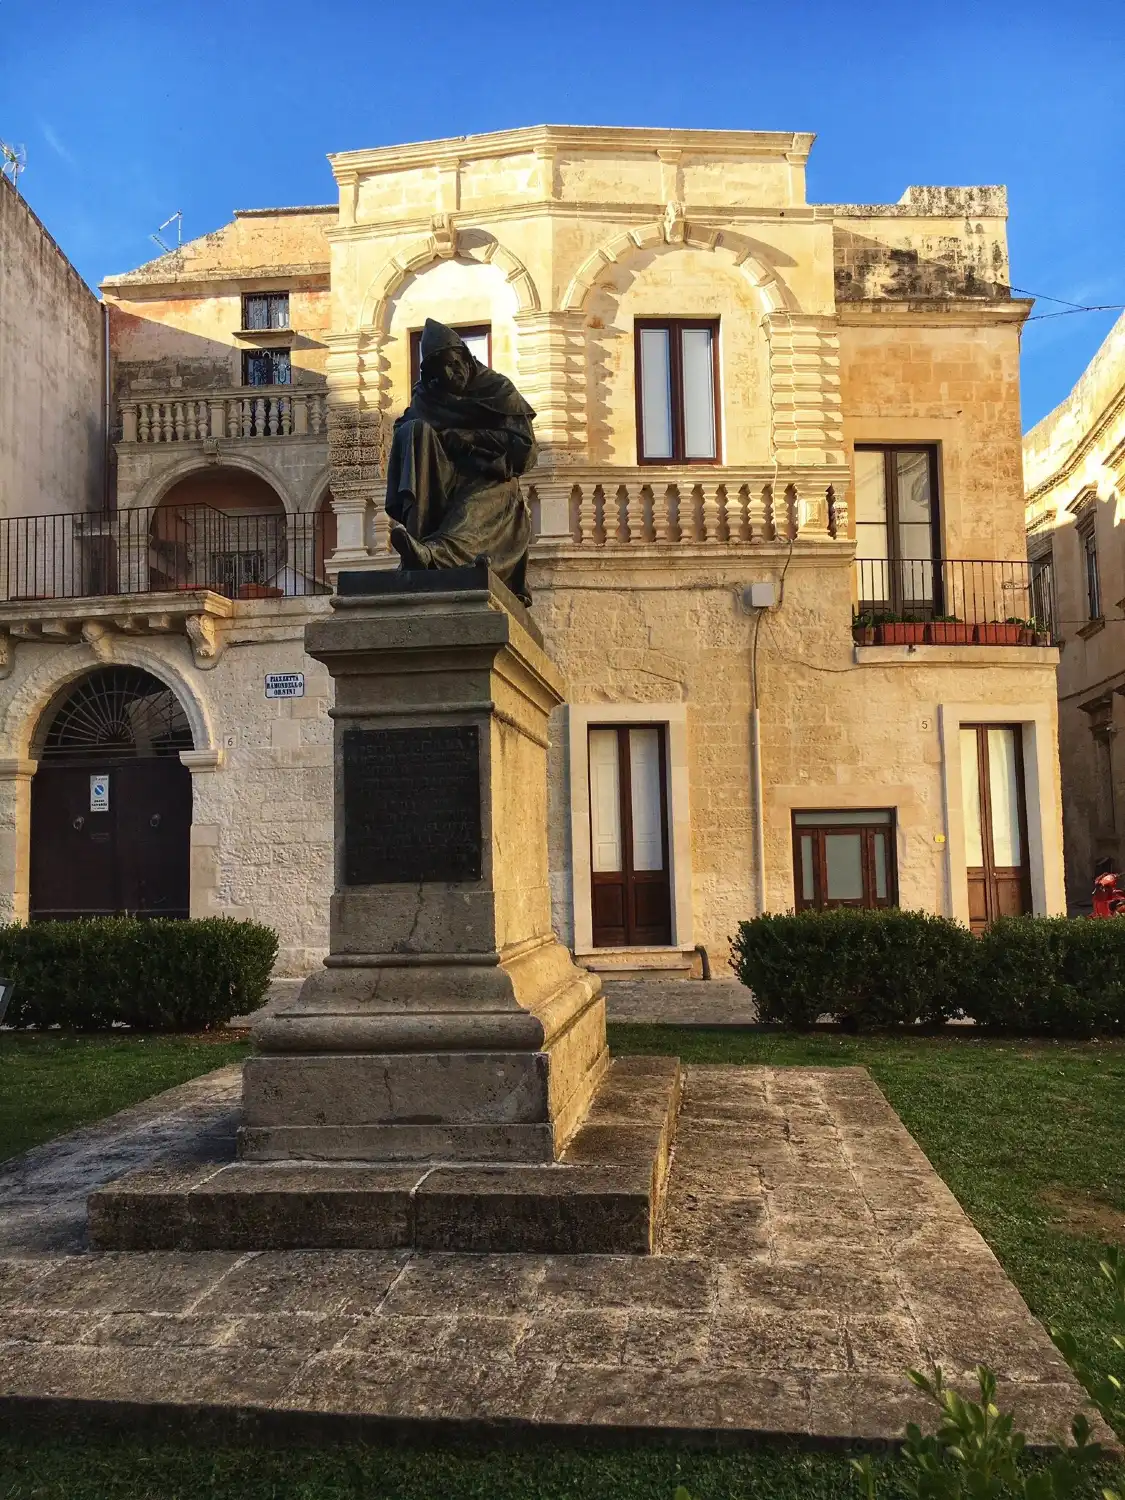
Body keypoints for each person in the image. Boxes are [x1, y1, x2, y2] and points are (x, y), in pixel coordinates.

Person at [385, 320, 537, 604]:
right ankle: (421, 542)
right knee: (415, 430)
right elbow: (402, 432)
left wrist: (469, 438)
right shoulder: (429, 397)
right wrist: (430, 438)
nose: (449, 373)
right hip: (441, 482)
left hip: (492, 480)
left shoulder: (497, 389)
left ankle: (433, 554)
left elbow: (525, 451)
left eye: (453, 363)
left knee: (473, 508)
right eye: (440, 369)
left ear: (466, 359)